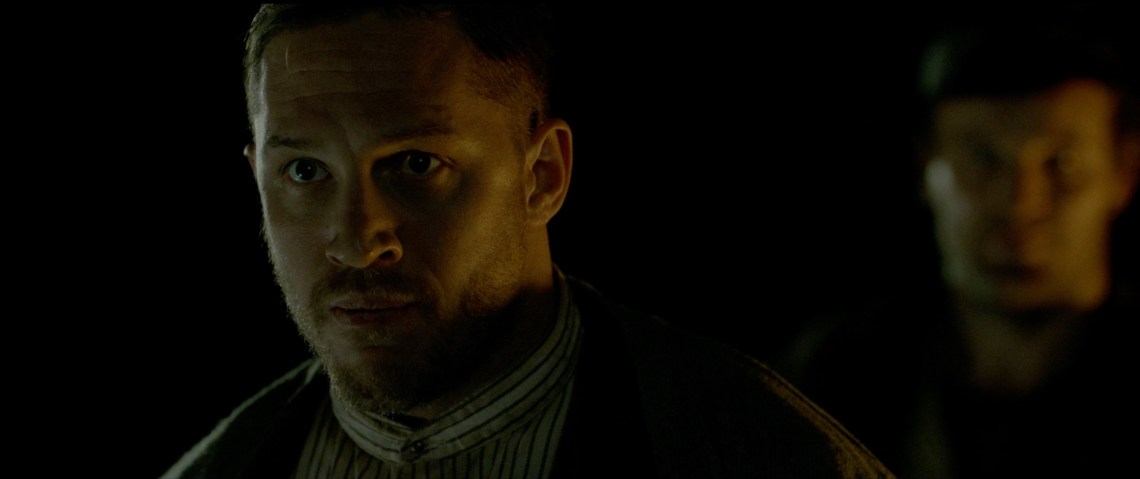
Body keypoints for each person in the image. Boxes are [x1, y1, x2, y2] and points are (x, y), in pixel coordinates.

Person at [163, 5, 891, 478]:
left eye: (416, 164)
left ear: (542, 174)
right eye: (304, 171)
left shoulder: (765, 458)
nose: (357, 242)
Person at [779, 12, 1139, 478]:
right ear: (925, 166)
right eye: (982, 157)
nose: (1020, 202)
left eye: (1062, 162)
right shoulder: (833, 380)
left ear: (1123, 170)